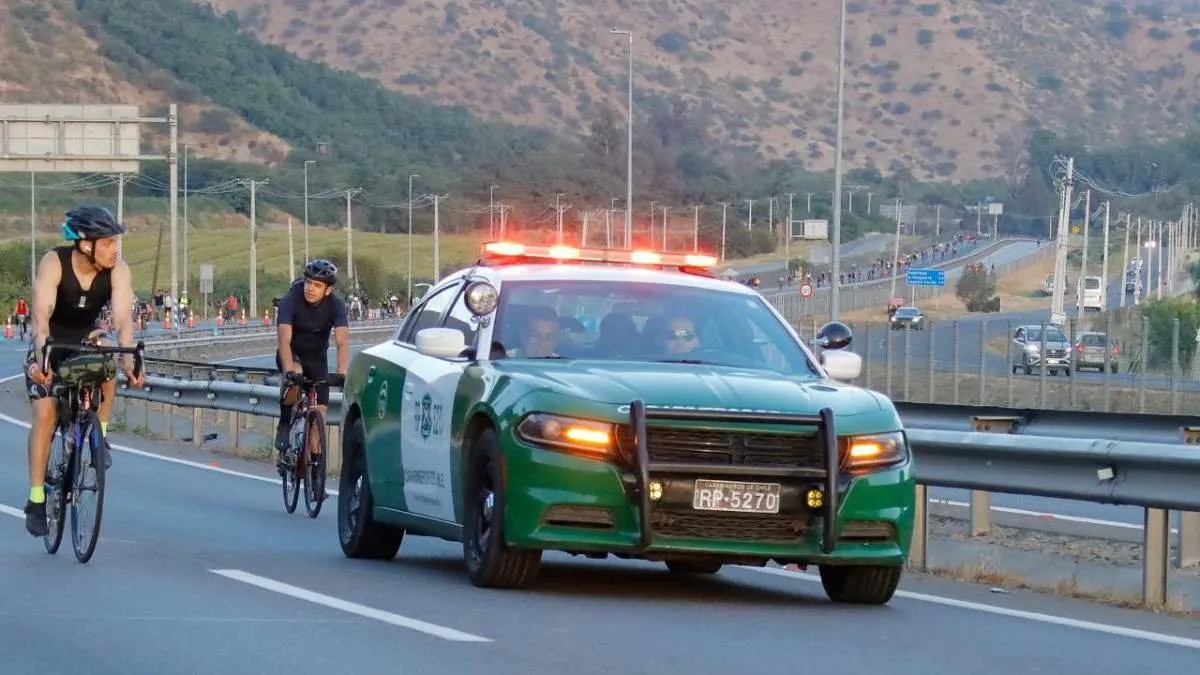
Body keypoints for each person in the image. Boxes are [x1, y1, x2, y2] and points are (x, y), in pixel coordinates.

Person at [23, 205, 144, 537]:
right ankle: (36, 499)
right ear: (85, 244)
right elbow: (41, 319)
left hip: (86, 336)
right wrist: (42, 360)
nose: (114, 249)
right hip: (49, 341)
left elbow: (122, 321)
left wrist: (130, 361)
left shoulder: (117, 270)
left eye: (115, 242)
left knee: (107, 353)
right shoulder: (54, 263)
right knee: (45, 414)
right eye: (107, 243)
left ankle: (99, 433)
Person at [273, 259, 350, 470]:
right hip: (292, 354)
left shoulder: (336, 305)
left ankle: (315, 468)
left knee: (320, 413)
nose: (310, 289)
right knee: (295, 377)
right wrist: (289, 370)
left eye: (317, 285)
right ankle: (285, 423)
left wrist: (342, 373)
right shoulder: (291, 300)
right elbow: (284, 339)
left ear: (328, 289)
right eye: (308, 283)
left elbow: (342, 341)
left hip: (317, 358)